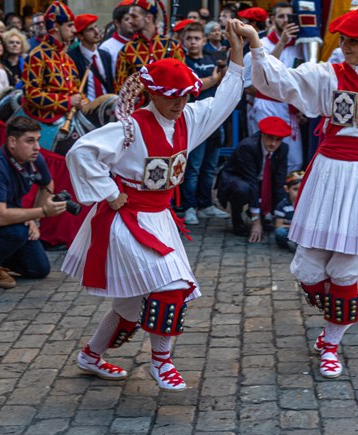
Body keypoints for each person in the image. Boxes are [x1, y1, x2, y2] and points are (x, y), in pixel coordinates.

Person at [238, 8, 358, 379]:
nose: (346, 47)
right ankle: (340, 310)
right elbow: (279, 82)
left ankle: (330, 342)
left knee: (346, 270)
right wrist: (257, 43)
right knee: (306, 267)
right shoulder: (327, 73)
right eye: (343, 40)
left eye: (355, 42)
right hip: (328, 174)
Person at [61, 27, 244, 391]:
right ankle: (161, 361)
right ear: (153, 94)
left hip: (159, 218)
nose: (179, 104)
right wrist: (110, 192)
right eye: (171, 97)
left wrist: (237, 56)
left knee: (130, 304)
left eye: (184, 96)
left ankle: (91, 355)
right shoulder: (129, 128)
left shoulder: (188, 120)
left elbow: (224, 101)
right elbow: (81, 152)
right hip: (125, 218)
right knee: (171, 284)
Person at [0, 117, 68, 288]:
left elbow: (47, 184)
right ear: (12, 142)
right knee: (17, 232)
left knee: (39, 269)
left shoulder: (34, 157)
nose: (37, 147)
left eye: (38, 140)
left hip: (8, 216)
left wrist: (34, 219)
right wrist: (42, 212)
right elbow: (0, 217)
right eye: (30, 141)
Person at [181, 21, 230, 225]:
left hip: (214, 119)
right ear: (183, 41)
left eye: (196, 38)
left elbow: (225, 82)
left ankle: (206, 204)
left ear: (204, 40)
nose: (193, 43)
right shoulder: (183, 61)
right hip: (194, 120)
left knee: (210, 166)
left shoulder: (212, 59)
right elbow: (191, 86)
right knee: (193, 166)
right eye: (189, 39)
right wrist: (214, 79)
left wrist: (222, 72)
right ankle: (189, 207)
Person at [248, 2, 303, 172]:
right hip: (268, 106)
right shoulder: (260, 44)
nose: (286, 20)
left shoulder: (300, 46)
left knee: (295, 161)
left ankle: (286, 196)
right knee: (266, 157)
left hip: (291, 108)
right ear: (272, 19)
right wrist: (282, 43)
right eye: (281, 16)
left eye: (289, 16)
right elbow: (257, 81)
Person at [217, 116, 290, 240]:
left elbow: (280, 180)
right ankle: (237, 216)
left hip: (261, 180)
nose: (273, 143)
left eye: (278, 140)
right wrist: (256, 222)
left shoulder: (283, 149)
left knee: (277, 187)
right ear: (262, 134)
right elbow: (251, 181)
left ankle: (263, 214)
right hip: (238, 179)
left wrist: (279, 215)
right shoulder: (247, 147)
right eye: (270, 138)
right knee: (243, 189)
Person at [21, 2, 83, 124]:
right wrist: (67, 102)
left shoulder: (67, 58)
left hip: (69, 114)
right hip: (45, 118)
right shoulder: (37, 55)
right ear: (55, 26)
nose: (74, 30)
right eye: (69, 26)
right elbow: (31, 94)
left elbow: (75, 89)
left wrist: (83, 101)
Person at [115, 0, 184, 91]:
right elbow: (120, 88)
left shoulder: (172, 46)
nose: (130, 21)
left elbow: (182, 80)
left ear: (148, 18)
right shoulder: (126, 50)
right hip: (139, 104)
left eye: (134, 16)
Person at [69, 14, 115, 99]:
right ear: (80, 36)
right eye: (90, 29)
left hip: (107, 106)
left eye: (96, 27)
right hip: (86, 108)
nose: (97, 31)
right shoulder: (71, 58)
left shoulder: (105, 55)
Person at [100, 3, 134, 79]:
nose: (131, 22)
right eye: (127, 19)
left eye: (133, 18)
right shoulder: (106, 48)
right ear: (117, 23)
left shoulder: (138, 44)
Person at [274, 170, 301, 252]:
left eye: (302, 189)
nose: (299, 193)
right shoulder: (282, 205)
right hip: (289, 231)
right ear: (287, 189)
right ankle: (293, 244)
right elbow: (279, 225)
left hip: (302, 231)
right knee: (280, 232)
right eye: (295, 189)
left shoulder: (308, 205)